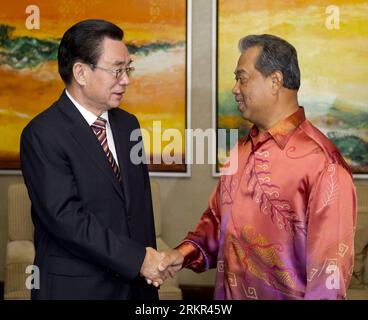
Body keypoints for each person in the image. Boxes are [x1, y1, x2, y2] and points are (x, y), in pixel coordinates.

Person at [160, 34, 357, 300]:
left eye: (242, 78)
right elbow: (217, 225)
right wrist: (179, 255)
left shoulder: (323, 163)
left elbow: (328, 279)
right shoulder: (240, 151)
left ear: (275, 81)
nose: (235, 88)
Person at [20, 19, 168, 300]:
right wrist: (137, 259)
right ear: (81, 72)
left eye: (128, 69)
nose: (126, 80)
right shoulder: (42, 134)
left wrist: (150, 267)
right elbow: (66, 219)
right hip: (76, 288)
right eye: (117, 71)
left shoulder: (128, 125)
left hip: (136, 286)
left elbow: (139, 206)